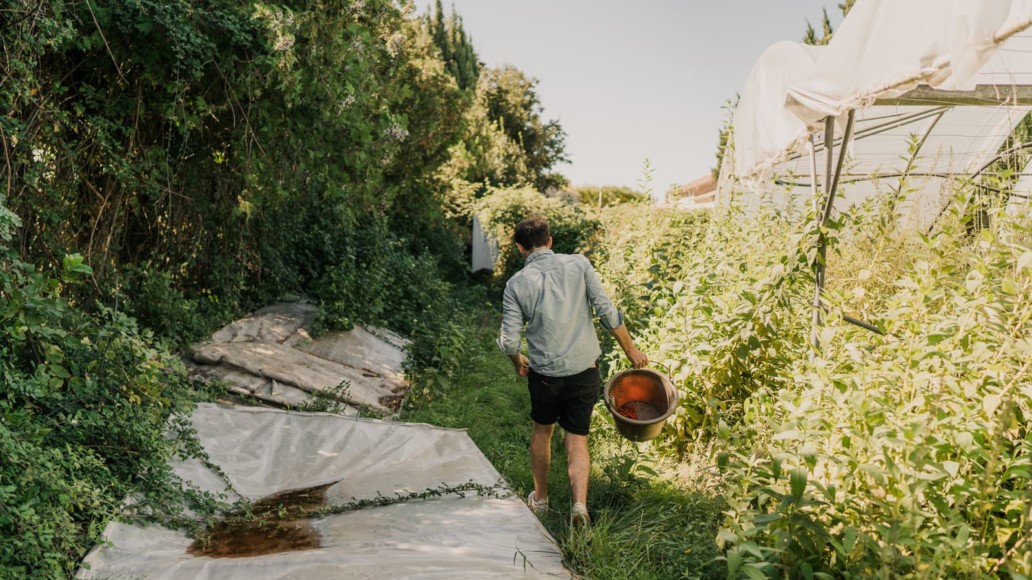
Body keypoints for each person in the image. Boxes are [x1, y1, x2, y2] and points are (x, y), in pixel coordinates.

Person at [497, 215, 648, 528]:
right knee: (577, 439)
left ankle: (540, 500)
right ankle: (579, 506)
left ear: (520, 248)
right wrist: (631, 351)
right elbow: (607, 311)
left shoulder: (516, 285)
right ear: (550, 241)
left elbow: (510, 340)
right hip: (584, 372)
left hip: (545, 375)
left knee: (542, 431)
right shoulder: (579, 265)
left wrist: (517, 361)